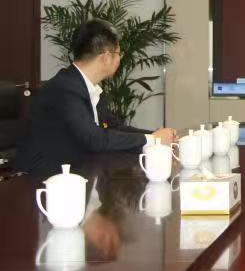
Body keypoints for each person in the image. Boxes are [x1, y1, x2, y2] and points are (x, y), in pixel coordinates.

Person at [15, 20, 176, 175]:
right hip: (42, 181)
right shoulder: (65, 88)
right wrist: (152, 139)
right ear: (106, 57)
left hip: (78, 172)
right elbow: (94, 138)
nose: (120, 59)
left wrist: (155, 135)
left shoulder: (89, 87)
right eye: (118, 53)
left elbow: (112, 127)